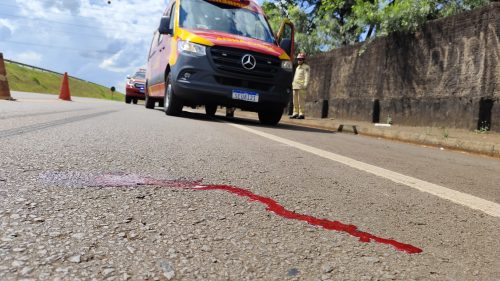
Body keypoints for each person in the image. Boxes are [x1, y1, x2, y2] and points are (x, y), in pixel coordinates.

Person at [290, 52, 310, 119]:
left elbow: (307, 76)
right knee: (294, 101)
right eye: (298, 59)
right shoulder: (297, 67)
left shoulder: (306, 67)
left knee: (300, 101)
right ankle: (295, 113)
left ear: (303, 60)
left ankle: (301, 114)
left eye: (301, 59)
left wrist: (305, 85)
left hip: (301, 86)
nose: (299, 60)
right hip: (295, 86)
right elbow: (295, 76)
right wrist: (293, 83)